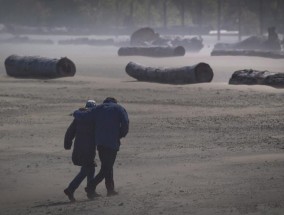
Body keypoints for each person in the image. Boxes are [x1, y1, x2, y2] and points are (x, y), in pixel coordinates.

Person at [74, 97, 129, 199]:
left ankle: (110, 190)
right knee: (107, 167)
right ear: (114, 102)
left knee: (107, 166)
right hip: (112, 143)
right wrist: (119, 135)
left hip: (100, 143)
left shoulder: (99, 108)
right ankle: (91, 186)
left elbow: (85, 116)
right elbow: (125, 124)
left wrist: (76, 112)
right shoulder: (119, 108)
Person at [63, 100, 97, 202]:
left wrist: (67, 144)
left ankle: (90, 192)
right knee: (88, 168)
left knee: (89, 168)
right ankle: (71, 189)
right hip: (89, 148)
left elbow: (69, 132)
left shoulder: (77, 119)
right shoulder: (93, 119)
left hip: (78, 148)